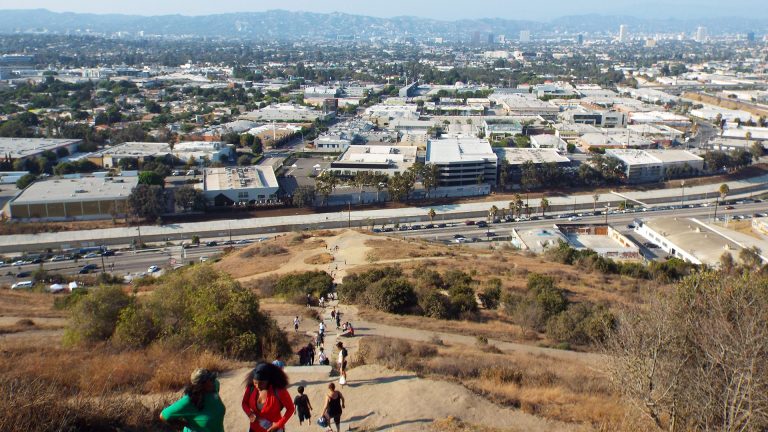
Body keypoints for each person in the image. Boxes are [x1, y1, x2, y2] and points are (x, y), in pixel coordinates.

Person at [160, 368, 225, 432]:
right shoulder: (188, 401)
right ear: (200, 385)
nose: (214, 381)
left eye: (213, 378)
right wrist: (185, 425)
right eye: (211, 379)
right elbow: (163, 416)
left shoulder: (214, 386)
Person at [242, 362, 295, 432]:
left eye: (261, 383)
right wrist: (250, 414)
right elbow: (244, 403)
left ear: (269, 380)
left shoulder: (279, 391)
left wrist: (278, 424)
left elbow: (290, 408)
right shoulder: (251, 388)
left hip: (274, 429)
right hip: (254, 428)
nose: (257, 386)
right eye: (255, 382)